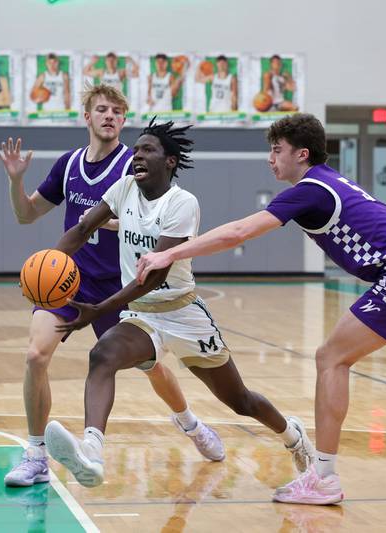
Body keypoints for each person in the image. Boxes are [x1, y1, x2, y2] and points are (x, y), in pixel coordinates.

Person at [136, 113, 386, 504]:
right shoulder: (329, 183)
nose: (271, 158)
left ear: (302, 154)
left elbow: (239, 232)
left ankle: (324, 478)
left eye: (277, 150)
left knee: (330, 358)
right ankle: (323, 477)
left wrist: (170, 254)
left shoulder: (311, 187)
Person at [43, 118, 315, 488]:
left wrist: (100, 308)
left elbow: (152, 275)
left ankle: (293, 436)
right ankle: (91, 451)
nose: (137, 155)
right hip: (143, 316)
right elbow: (81, 229)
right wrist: (45, 264)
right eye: (136, 149)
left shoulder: (182, 203)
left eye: (148, 150)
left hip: (183, 314)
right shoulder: (123, 189)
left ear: (169, 161)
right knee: (102, 355)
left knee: (239, 400)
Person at [0, 86, 223, 487]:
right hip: (68, 281)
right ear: (86, 116)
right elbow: (26, 215)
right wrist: (16, 182)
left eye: (117, 111)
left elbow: (146, 218)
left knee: (151, 367)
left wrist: (101, 220)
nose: (109, 116)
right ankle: (35, 455)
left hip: (122, 287)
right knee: (35, 355)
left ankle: (190, 423)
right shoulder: (68, 165)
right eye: (101, 109)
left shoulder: (133, 165)